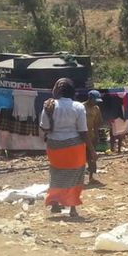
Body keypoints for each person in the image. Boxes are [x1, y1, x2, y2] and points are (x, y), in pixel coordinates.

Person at [40, 78, 89, 218]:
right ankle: (72, 208)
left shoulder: (49, 105)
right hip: (74, 146)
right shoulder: (78, 106)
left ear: (56, 90)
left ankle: (55, 203)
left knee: (56, 173)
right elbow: (83, 131)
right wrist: (91, 150)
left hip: (54, 146)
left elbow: (44, 126)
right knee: (76, 176)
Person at [83, 90, 103, 184]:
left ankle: (91, 177)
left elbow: (96, 124)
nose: (96, 102)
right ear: (90, 98)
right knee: (81, 158)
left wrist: (97, 135)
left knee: (92, 157)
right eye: (94, 100)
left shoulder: (96, 109)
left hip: (91, 136)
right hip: (81, 136)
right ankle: (79, 178)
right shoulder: (81, 107)